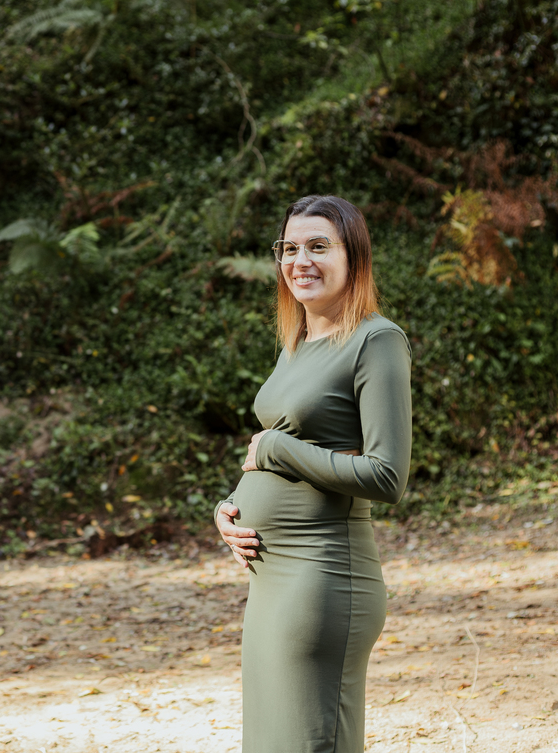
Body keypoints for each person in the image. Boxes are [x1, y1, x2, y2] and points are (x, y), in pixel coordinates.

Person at [214, 195, 412, 753]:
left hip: (322, 578)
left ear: (354, 258)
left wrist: (276, 450)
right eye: (290, 247)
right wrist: (230, 508)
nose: (301, 259)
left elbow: (386, 475)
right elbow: (283, 448)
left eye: (319, 246)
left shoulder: (377, 341)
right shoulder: (297, 344)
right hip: (270, 584)